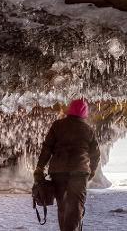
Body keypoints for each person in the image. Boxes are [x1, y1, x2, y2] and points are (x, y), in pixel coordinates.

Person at [34, 98, 100, 231]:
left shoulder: (57, 126)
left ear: (70, 109)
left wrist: (40, 167)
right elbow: (95, 155)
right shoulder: (88, 130)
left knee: (63, 206)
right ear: (84, 112)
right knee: (76, 207)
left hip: (59, 173)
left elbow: (47, 148)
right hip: (79, 173)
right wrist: (91, 172)